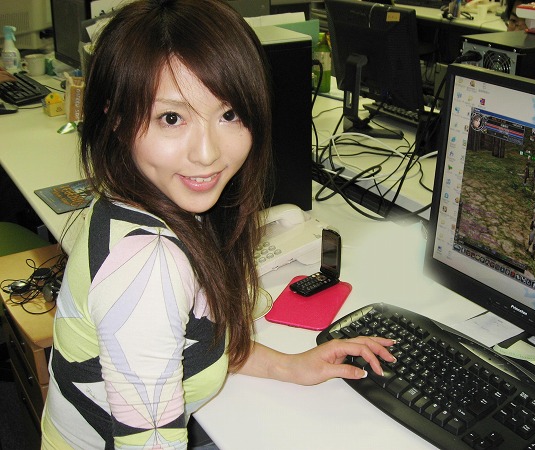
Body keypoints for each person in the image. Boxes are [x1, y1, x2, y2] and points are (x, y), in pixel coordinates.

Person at [40, 0, 395, 448]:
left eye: (229, 114)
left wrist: (290, 365)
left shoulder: (148, 196)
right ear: (117, 119)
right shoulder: (149, 266)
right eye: (172, 118)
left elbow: (196, 339)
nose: (207, 153)